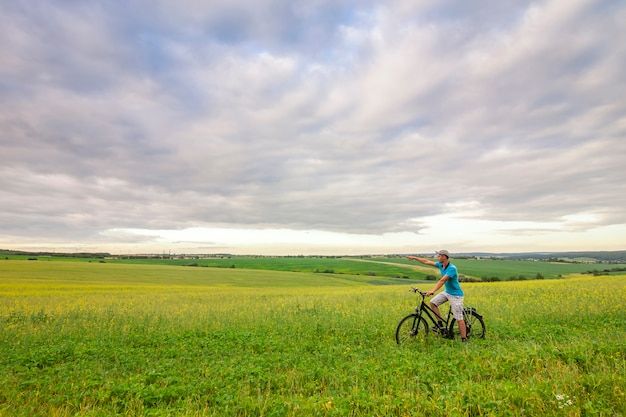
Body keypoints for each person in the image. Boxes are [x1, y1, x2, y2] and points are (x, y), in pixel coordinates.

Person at [407, 250, 467, 342]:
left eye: (439, 256)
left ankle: (464, 339)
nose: (437, 257)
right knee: (433, 303)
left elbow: (442, 281)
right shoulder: (441, 265)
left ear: (444, 257)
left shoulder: (452, 268)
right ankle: (440, 325)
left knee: (458, 317)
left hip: (456, 295)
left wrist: (432, 291)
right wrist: (415, 258)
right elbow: (427, 261)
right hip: (447, 292)